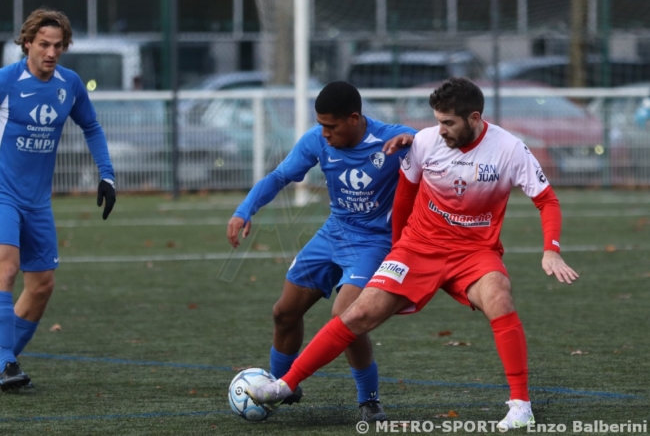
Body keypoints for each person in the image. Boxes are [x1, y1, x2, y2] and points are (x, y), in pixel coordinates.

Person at [246, 77, 579, 430]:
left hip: (473, 252)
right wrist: (399, 247)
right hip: (418, 249)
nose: (440, 130)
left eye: (448, 123)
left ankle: (520, 405)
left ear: (475, 118)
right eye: (437, 121)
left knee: (499, 296)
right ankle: (285, 384)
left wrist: (551, 250)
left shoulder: (509, 149)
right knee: (357, 314)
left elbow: (547, 200)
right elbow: (405, 196)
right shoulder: (424, 142)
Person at [0, 8, 116, 391]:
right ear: (27, 43)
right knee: (7, 269)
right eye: (43, 44)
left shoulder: (70, 84)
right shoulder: (4, 81)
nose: (51, 52)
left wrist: (107, 174)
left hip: (37, 201)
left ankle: (0, 360)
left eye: (58, 46)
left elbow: (92, 126)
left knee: (43, 285)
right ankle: (9, 363)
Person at [227, 81, 416, 422]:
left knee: (345, 321)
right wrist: (245, 209)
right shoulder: (317, 140)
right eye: (321, 125)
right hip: (333, 234)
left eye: (331, 126)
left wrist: (419, 141)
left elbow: (441, 148)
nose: (324, 133)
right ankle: (283, 384)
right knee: (284, 313)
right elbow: (280, 176)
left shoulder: (392, 140)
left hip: (373, 244)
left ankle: (369, 400)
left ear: (355, 119)